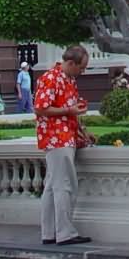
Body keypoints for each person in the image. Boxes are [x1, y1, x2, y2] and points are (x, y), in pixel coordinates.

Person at [34, 44, 92, 246]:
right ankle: (65, 232)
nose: (82, 72)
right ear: (70, 63)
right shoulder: (51, 78)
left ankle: (49, 232)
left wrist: (82, 132)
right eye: (81, 67)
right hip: (56, 138)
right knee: (64, 186)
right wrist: (69, 110)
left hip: (64, 137)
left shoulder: (69, 80)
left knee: (52, 186)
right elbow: (41, 108)